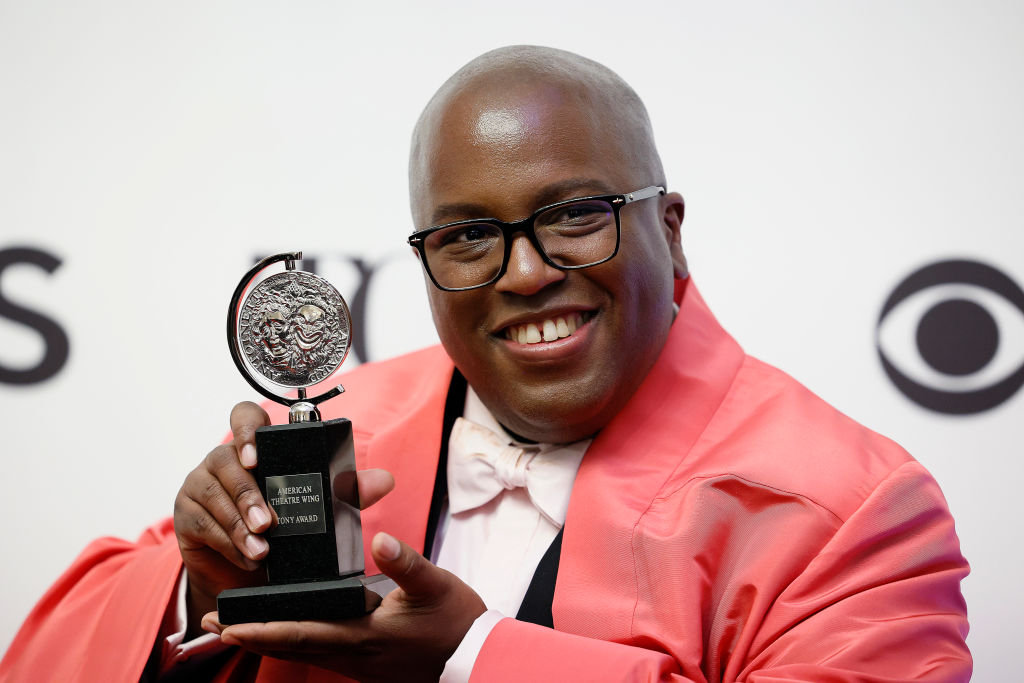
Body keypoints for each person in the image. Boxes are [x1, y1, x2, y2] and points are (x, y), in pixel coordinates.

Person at [0, 46, 971, 682]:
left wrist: (471, 655)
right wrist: (200, 587)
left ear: (669, 233)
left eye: (575, 215)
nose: (525, 272)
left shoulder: (857, 507)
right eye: (468, 235)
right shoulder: (339, 425)